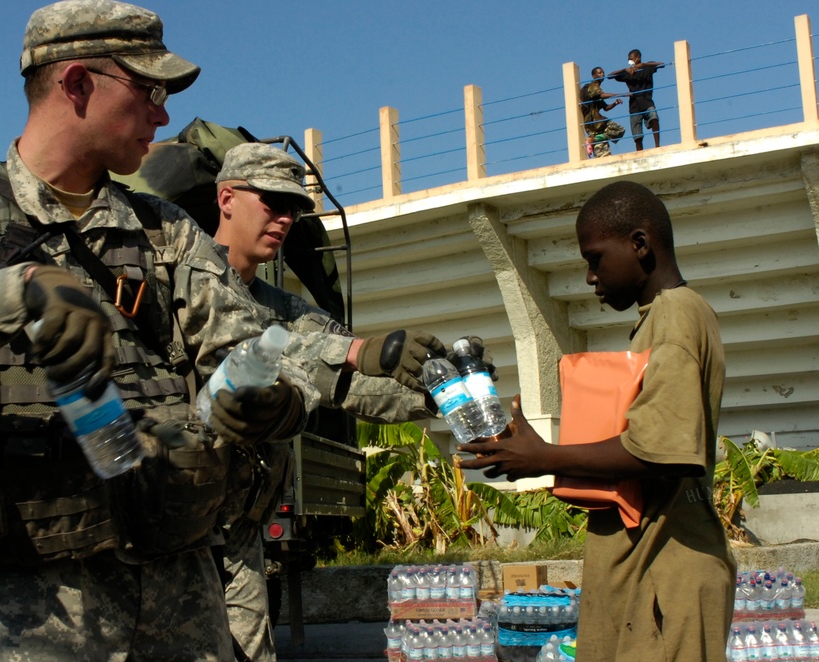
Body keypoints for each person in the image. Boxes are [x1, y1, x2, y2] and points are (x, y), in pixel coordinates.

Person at [0, 2, 320, 660]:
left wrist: (271, 397)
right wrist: (8, 296)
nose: (163, 114)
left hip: (182, 602)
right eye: (149, 90)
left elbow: (263, 357)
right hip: (32, 611)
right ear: (76, 84)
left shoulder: (166, 233)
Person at [456, 181, 736, 661]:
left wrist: (545, 457)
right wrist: (543, 451)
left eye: (595, 258)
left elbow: (660, 451)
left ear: (640, 246)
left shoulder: (675, 319)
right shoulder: (663, 317)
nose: (590, 277)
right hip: (650, 571)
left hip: (664, 574)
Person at [211, 142, 452, 661]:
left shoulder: (288, 308)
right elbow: (252, 349)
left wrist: (444, 392)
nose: (284, 219)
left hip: (240, 532)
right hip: (178, 527)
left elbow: (348, 386)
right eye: (271, 202)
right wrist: (358, 349)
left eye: (293, 210)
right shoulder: (186, 280)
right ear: (226, 198)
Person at [609, 50, 665, 151]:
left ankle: (657, 146)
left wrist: (643, 65)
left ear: (638, 58)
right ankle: (640, 152)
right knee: (637, 135)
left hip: (647, 102)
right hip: (634, 106)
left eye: (631, 59)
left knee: (654, 118)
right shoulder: (627, 73)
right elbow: (610, 76)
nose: (630, 61)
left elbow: (662, 65)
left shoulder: (647, 67)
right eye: (628, 60)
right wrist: (624, 70)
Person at [579, 67, 627, 158]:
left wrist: (615, 103)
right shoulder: (593, 87)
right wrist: (620, 94)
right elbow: (602, 95)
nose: (602, 75)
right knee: (619, 129)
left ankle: (593, 140)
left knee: (602, 153)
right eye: (599, 73)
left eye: (603, 73)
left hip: (593, 125)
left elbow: (606, 108)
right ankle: (592, 140)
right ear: (593, 76)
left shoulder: (595, 90)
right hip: (595, 122)